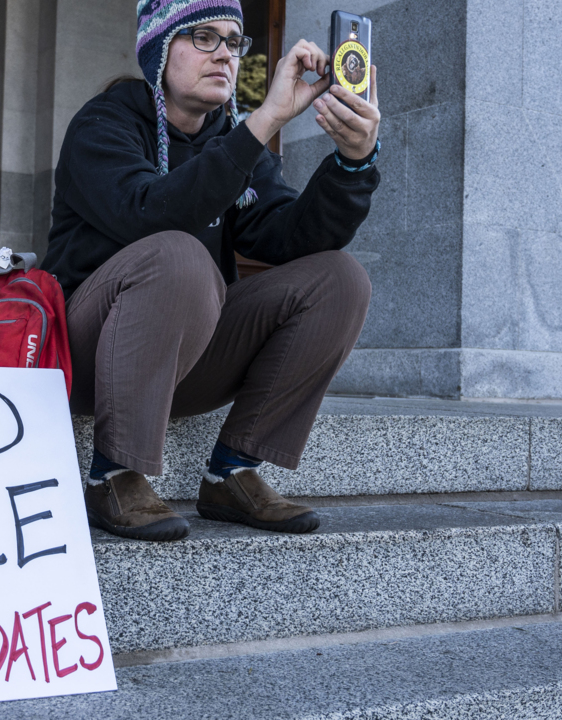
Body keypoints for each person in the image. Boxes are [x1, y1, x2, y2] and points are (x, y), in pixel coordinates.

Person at [43, 0, 381, 542]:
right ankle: (113, 474)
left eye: (233, 40)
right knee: (176, 251)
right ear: (159, 49)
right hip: (86, 359)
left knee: (339, 280)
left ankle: (231, 472)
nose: (225, 53)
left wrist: (352, 162)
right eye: (204, 37)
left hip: (185, 360)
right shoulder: (103, 123)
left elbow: (293, 237)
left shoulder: (231, 138)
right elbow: (152, 213)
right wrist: (265, 120)